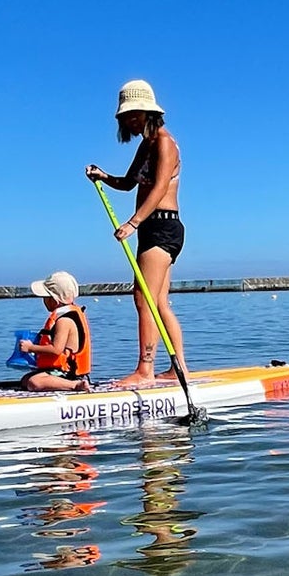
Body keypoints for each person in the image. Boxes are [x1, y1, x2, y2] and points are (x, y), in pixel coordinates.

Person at [85, 79, 187, 386]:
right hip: (152, 226)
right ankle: (178, 368)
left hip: (162, 226)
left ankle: (145, 371)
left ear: (149, 113)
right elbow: (130, 183)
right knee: (159, 303)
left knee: (142, 299)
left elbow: (158, 188)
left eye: (135, 114)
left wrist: (133, 222)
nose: (129, 121)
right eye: (125, 116)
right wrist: (103, 176)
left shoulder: (166, 142)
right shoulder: (147, 145)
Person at [16, 271, 93, 392]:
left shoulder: (64, 320)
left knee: (33, 382)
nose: (43, 300)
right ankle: (64, 383)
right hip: (57, 371)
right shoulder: (65, 315)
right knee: (25, 380)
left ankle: (76, 385)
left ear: (55, 300)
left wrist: (30, 348)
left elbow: (56, 349)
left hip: (68, 372)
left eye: (45, 297)